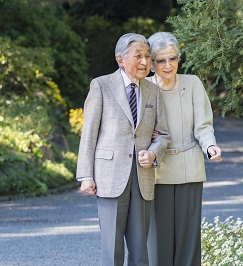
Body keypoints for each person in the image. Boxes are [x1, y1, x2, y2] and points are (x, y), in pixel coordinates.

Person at [76, 33, 170, 266]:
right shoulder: (101, 86)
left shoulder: (153, 91)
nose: (144, 62)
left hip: (142, 178)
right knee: (112, 248)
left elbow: (164, 135)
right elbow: (89, 133)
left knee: (140, 250)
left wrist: (154, 152)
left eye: (147, 56)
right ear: (120, 60)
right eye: (138, 56)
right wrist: (86, 175)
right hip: (109, 176)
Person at [146, 32, 222, 266]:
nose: (168, 65)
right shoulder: (144, 87)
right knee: (158, 242)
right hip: (156, 171)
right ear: (150, 63)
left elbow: (203, 125)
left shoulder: (192, 83)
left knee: (188, 241)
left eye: (173, 58)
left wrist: (210, 146)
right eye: (161, 60)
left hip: (190, 168)